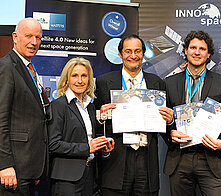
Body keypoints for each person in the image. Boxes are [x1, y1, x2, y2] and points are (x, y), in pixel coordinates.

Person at [94, 34, 173, 196]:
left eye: (137, 51)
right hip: (115, 159)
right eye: (128, 51)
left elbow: (165, 126)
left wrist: (170, 121)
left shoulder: (157, 83)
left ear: (143, 54)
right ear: (120, 54)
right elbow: (93, 123)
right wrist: (100, 116)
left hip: (146, 159)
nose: (133, 56)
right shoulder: (103, 82)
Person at [164, 30, 221, 196]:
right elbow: (164, 120)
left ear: (208, 54)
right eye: (193, 47)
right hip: (180, 158)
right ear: (186, 50)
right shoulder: (170, 82)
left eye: (202, 49)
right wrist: (170, 132)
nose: (197, 52)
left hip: (211, 157)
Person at [48, 57, 114, 196]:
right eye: (75, 76)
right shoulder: (58, 105)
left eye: (84, 76)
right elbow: (54, 144)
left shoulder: (90, 106)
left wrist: (103, 148)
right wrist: (87, 148)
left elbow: (88, 137)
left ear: (89, 79)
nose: (80, 80)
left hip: (90, 176)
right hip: (67, 179)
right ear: (67, 79)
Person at [0, 18, 49, 195]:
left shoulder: (29, 68)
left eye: (38, 37)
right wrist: (5, 165)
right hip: (13, 169)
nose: (34, 42)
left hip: (29, 168)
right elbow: (1, 120)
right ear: (15, 37)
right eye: (28, 36)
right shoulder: (6, 67)